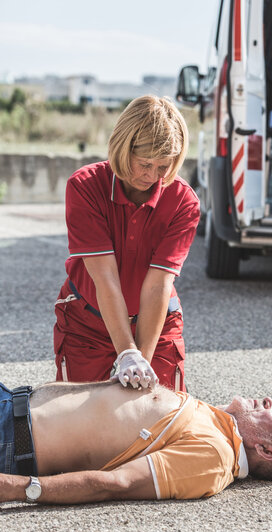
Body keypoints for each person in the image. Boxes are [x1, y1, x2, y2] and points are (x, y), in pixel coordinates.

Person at [54, 95, 200, 392]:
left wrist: (140, 364)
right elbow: (105, 279)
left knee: (160, 419)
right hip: (87, 322)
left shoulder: (183, 201)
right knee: (78, 425)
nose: (152, 176)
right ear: (122, 147)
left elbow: (158, 284)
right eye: (145, 164)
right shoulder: (84, 186)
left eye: (163, 167)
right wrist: (127, 353)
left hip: (157, 324)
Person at [0, 380, 272, 505]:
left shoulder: (214, 456)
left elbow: (117, 483)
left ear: (266, 451)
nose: (271, 402)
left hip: (10, 438)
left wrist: (16, 488)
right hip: (11, 402)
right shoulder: (217, 425)